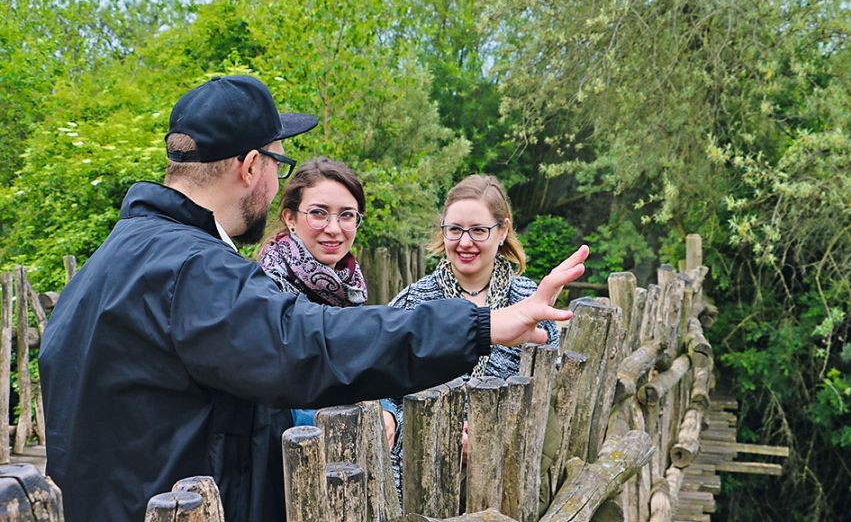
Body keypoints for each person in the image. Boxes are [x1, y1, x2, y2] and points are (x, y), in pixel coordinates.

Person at [39, 75, 589, 522]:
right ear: (250, 166)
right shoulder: (194, 269)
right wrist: (479, 325)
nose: (277, 178)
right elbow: (309, 342)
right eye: (277, 163)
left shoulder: (114, 257)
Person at [388, 174, 561, 497]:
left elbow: (548, 394)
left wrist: (487, 437)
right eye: (454, 229)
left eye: (479, 230)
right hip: (419, 479)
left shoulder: (531, 302)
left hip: (508, 483)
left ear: (503, 230)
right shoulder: (412, 302)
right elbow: (386, 390)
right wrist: (442, 431)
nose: (465, 242)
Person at [257, 158, 397, 448]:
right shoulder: (264, 291)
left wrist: (387, 411)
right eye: (318, 213)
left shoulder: (349, 290)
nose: (334, 228)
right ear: (290, 218)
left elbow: (370, 370)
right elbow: (270, 399)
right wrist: (350, 418)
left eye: (347, 215)